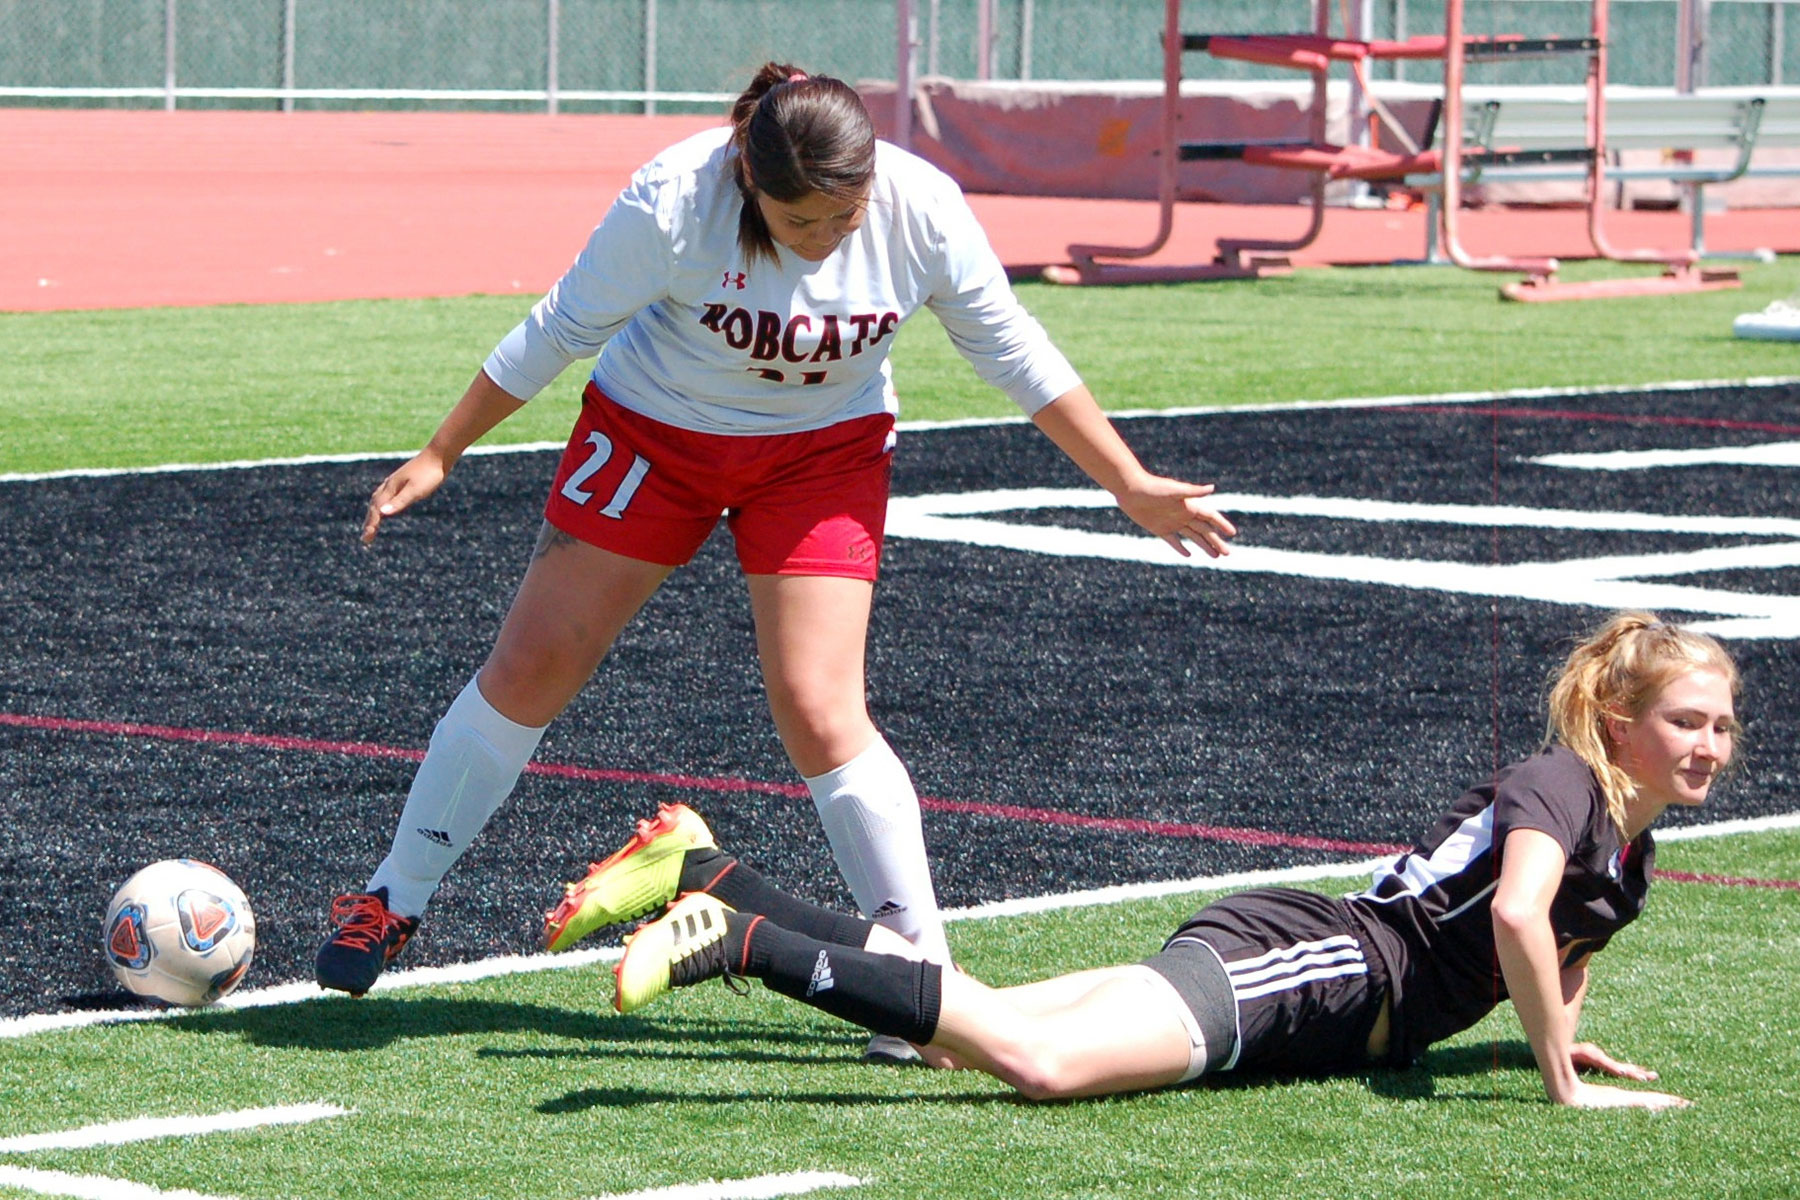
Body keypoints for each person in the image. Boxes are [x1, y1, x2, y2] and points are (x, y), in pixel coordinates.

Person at [312, 58, 1238, 1059]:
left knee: (820, 706)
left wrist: (1127, 482)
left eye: (845, 217)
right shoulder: (674, 201)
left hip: (822, 456)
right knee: (534, 664)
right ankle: (393, 897)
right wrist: (443, 450)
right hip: (653, 436)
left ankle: (922, 982)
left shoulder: (921, 208)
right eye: (803, 223)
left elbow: (1011, 349)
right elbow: (559, 328)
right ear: (751, 183)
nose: (828, 238)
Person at [569, 612, 1736, 1108]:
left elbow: (1565, 943)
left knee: (955, 1032)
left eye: (1724, 727)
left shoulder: (1627, 850)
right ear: (1618, 722)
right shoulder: (1564, 783)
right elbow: (1521, 915)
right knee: (1039, 1067)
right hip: (1326, 966)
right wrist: (1557, 1078)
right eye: (1686, 721)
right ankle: (743, 945)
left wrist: (1558, 1024)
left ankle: (710, 875)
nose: (1710, 746)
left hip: (1324, 982)